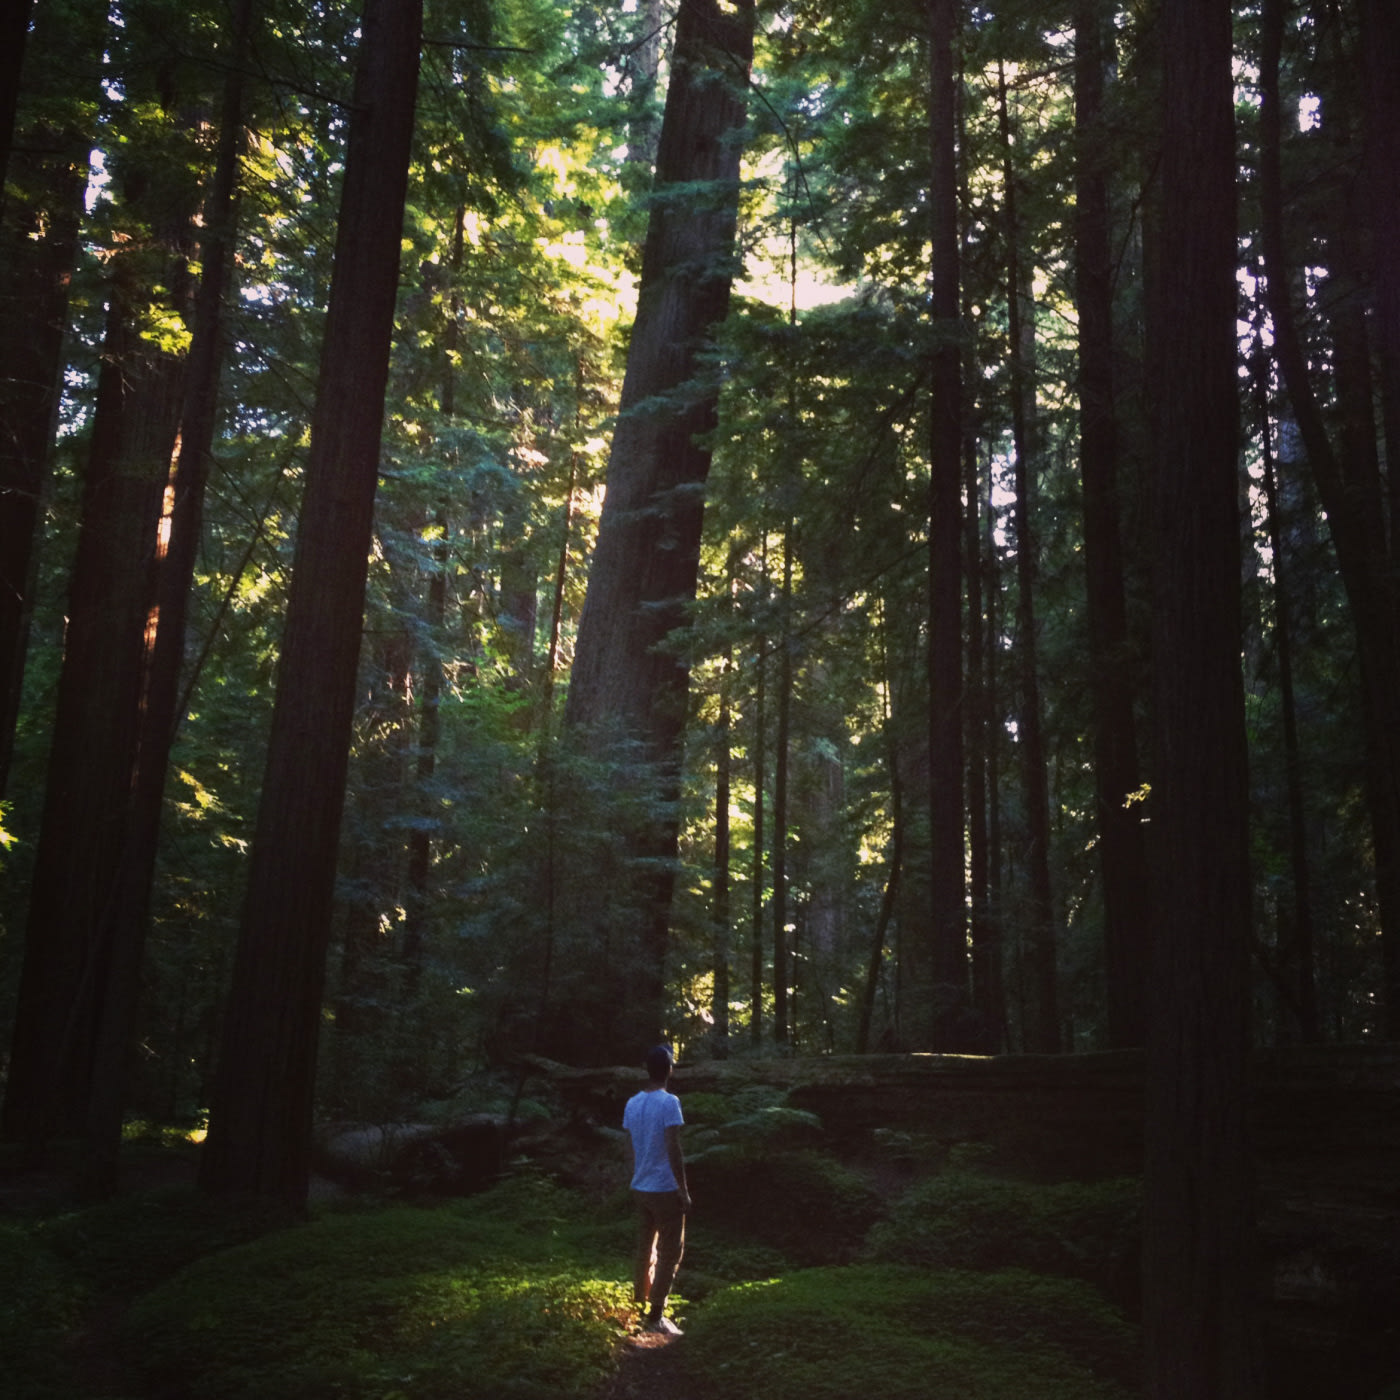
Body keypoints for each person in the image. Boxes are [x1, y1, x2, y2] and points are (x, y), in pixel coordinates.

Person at [622, 1043, 691, 1336]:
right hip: (664, 1187)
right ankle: (656, 1315)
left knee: (644, 1247)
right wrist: (683, 1189)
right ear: (669, 1070)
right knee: (669, 1253)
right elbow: (673, 1148)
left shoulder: (632, 1103)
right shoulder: (669, 1102)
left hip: (640, 1185)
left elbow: (630, 1147)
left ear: (646, 1069)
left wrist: (635, 1176)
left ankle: (640, 1302)